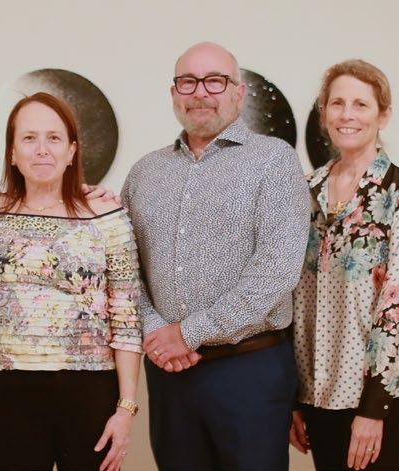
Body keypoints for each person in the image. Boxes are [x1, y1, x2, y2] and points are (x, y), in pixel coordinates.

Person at [121, 41, 310, 470]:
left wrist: (188, 333)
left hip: (249, 372)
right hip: (170, 377)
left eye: (215, 81)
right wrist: (156, 330)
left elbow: (277, 271)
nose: (200, 92)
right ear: (174, 93)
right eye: (188, 82)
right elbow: (126, 269)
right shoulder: (145, 172)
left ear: (238, 93)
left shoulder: (274, 161)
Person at [0, 92, 142, 471]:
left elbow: (127, 318)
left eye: (54, 138)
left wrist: (125, 408)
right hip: (6, 389)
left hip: (88, 387)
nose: (42, 149)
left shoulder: (107, 215)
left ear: (71, 151)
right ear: (12, 152)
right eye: (29, 138)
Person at [291, 59, 399, 471]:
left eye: (361, 104)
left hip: (383, 397)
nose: (347, 114)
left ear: (383, 115)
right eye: (337, 103)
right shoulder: (306, 191)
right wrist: (294, 398)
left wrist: (373, 410)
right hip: (318, 390)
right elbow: (291, 296)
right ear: (324, 113)